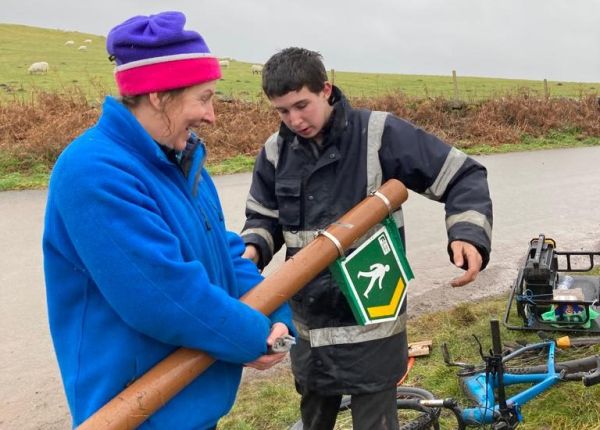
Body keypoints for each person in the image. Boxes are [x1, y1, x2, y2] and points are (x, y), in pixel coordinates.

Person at [42, 11, 293, 430]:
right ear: (159, 95)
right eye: (204, 97)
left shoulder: (181, 156)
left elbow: (225, 251)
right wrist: (250, 336)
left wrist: (273, 311)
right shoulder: (95, 171)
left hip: (188, 400)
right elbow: (163, 296)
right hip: (136, 411)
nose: (212, 115)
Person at [241, 47, 493, 429]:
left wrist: (468, 234)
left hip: (372, 328)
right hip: (310, 334)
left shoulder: (379, 134)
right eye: (282, 111)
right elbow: (263, 219)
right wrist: (252, 250)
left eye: (301, 105)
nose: (294, 120)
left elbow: (462, 174)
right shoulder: (275, 153)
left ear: (326, 89)